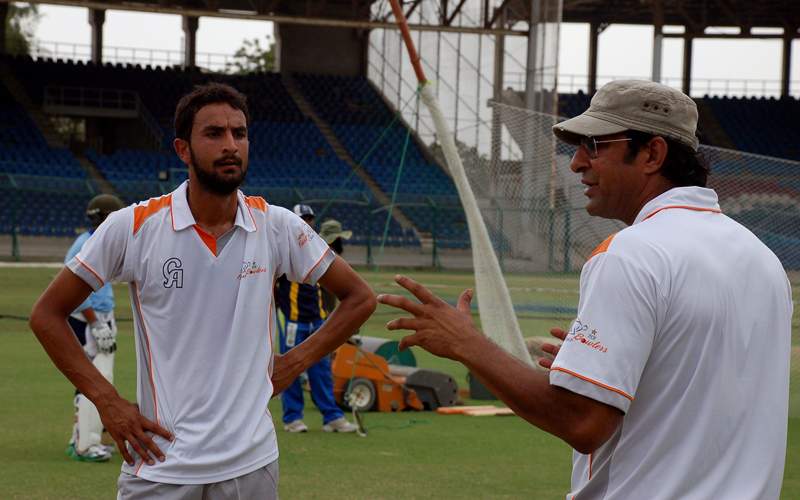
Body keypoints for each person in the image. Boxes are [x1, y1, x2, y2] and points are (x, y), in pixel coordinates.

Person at [376, 80, 792, 499]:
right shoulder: (764, 262)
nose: (575, 163)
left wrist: (466, 342)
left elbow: (582, 423)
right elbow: (695, 394)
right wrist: (602, 372)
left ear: (652, 154)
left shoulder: (630, 255)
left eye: (594, 145)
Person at [29, 82, 376, 499]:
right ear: (183, 149)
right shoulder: (133, 226)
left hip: (252, 465)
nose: (231, 145)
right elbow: (46, 315)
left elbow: (360, 297)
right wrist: (106, 400)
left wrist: (294, 361)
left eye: (239, 133)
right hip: (161, 467)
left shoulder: (277, 226)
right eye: (214, 133)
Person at [275, 205, 359, 434]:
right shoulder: (284, 248)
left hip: (317, 319)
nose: (308, 223)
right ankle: (292, 418)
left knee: (321, 369)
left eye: (310, 219)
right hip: (293, 320)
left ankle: (331, 417)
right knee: (289, 367)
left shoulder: (317, 247)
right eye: (304, 219)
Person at [65, 193, 126, 462]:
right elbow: (75, 294)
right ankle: (85, 445)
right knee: (95, 381)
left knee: (102, 379)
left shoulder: (100, 240)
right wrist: (96, 324)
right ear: (103, 218)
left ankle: (85, 436)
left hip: (102, 317)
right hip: (89, 321)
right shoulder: (85, 243)